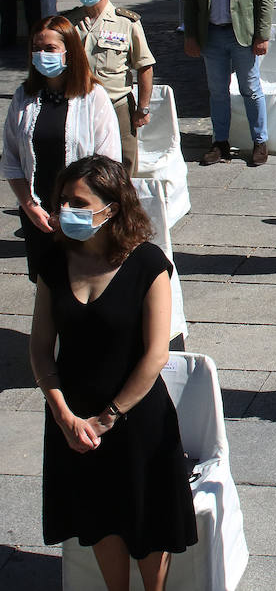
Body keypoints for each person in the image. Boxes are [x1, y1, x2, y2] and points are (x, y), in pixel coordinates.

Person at [29, 155, 197, 591]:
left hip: (136, 416)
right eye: (63, 201)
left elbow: (155, 355)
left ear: (113, 207)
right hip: (75, 419)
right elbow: (41, 350)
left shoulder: (148, 264)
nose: (67, 211)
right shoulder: (54, 262)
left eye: (79, 203)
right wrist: (64, 415)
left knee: (147, 526)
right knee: (99, 520)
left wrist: (109, 417)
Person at [3, 16, 120, 279]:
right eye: (36, 48)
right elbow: (11, 158)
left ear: (69, 52)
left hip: (82, 214)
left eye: (49, 49)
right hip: (38, 213)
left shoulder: (93, 97)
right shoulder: (24, 97)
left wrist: (76, 211)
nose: (41, 55)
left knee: (84, 282)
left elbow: (109, 161)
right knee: (45, 283)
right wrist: (30, 205)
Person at [181, 0, 272, 168]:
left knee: (250, 88)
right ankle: (220, 142)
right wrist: (190, 35)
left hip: (242, 34)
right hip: (211, 34)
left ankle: (260, 141)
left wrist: (262, 34)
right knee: (217, 91)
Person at [65, 0, 154, 174]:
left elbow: (145, 66)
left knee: (124, 162)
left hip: (117, 104)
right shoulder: (69, 22)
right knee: (80, 162)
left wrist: (142, 108)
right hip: (78, 103)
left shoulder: (126, 22)